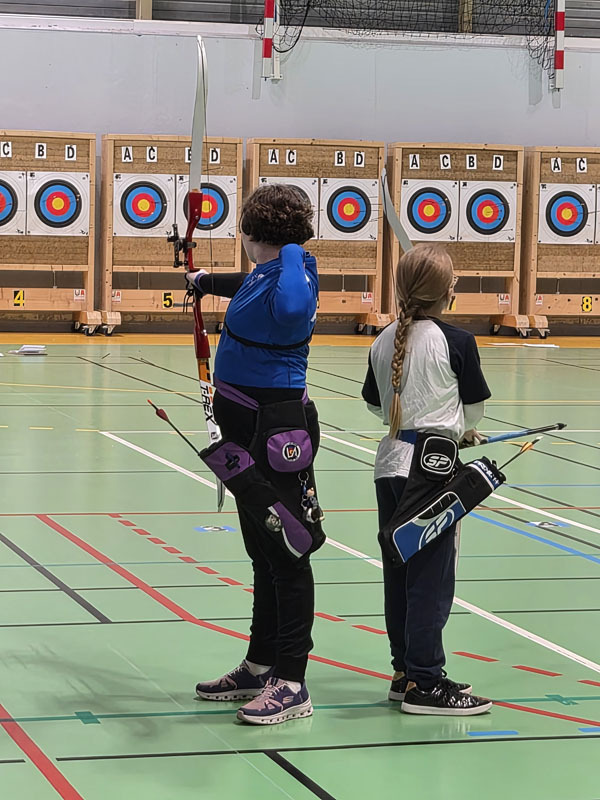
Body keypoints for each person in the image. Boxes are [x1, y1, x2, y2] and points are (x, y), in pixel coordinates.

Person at [186, 183, 324, 726]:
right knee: (261, 552)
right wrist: (203, 282)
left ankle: (291, 681)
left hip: (276, 432)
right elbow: (250, 285)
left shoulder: (296, 274)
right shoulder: (267, 274)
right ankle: (260, 664)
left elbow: (289, 305)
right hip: (245, 429)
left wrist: (289, 243)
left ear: (250, 233)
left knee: (287, 550)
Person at [361, 243, 493, 716]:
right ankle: (426, 682)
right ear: (447, 292)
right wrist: (459, 429)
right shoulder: (457, 340)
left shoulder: (383, 339)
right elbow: (474, 409)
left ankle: (406, 672)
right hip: (432, 470)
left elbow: (375, 405)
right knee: (430, 579)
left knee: (400, 572)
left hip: (391, 464)